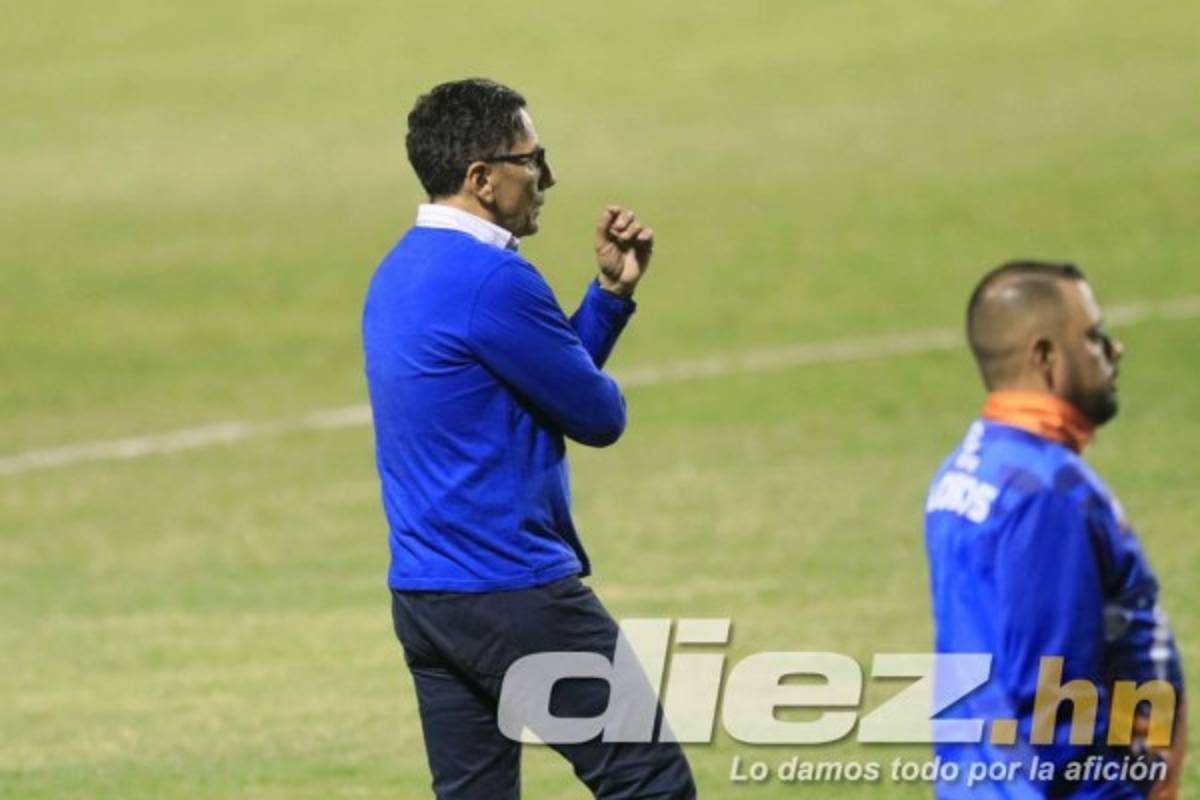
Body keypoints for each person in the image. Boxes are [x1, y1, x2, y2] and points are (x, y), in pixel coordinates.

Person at [361, 78, 695, 799]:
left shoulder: (399, 270)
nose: (547, 177)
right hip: (511, 591)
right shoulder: (492, 279)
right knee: (650, 783)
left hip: (427, 597)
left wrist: (608, 297)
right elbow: (597, 415)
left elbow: (535, 383)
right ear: (481, 177)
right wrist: (601, 348)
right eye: (532, 158)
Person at [924, 261, 1187, 798]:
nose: (1114, 350)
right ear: (1044, 356)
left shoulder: (968, 468)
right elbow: (1055, 703)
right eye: (1092, 337)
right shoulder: (1046, 493)